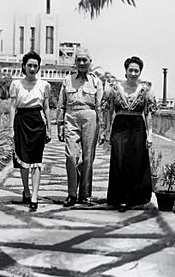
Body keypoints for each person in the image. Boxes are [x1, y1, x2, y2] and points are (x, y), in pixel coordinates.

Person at [100, 56, 157, 212]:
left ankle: (136, 198)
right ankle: (120, 198)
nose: (133, 73)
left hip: (138, 127)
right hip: (120, 126)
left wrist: (150, 134)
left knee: (136, 161)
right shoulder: (114, 87)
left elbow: (148, 113)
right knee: (119, 160)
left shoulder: (146, 89)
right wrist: (106, 130)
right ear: (125, 71)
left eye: (136, 70)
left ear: (140, 72)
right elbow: (109, 110)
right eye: (130, 70)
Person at [57, 47, 103, 207]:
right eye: (79, 60)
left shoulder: (96, 82)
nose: (82, 63)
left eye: (85, 60)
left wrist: (102, 128)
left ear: (90, 62)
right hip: (71, 117)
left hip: (90, 117)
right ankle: (71, 194)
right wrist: (60, 124)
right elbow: (61, 104)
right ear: (75, 62)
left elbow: (100, 107)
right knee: (71, 156)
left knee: (88, 157)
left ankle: (85, 195)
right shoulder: (67, 80)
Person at [9, 51, 52, 212]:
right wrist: (11, 128)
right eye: (29, 65)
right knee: (23, 159)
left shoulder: (44, 85)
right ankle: (26, 191)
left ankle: (34, 196)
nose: (32, 68)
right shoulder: (16, 84)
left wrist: (49, 128)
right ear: (24, 67)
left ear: (39, 67)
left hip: (37, 121)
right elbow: (12, 107)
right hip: (21, 120)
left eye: (35, 66)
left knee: (36, 160)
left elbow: (47, 107)